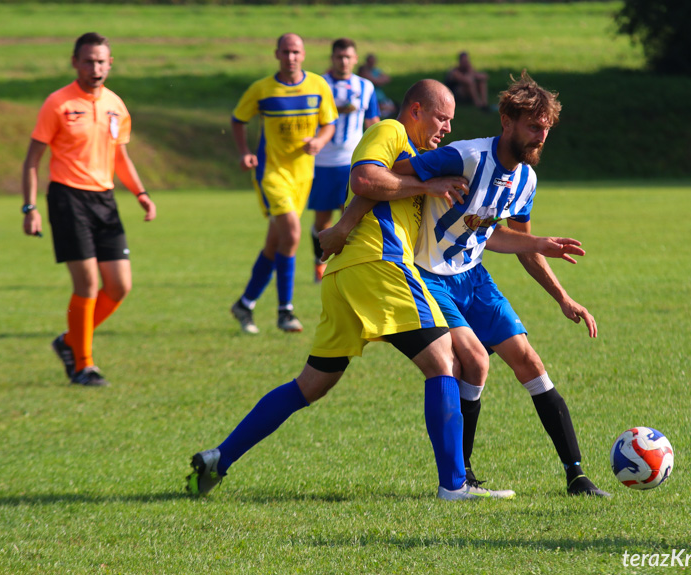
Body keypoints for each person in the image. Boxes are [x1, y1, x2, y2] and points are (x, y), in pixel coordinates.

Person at [191, 80, 511, 502]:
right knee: (442, 362)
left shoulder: (415, 158)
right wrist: (425, 187)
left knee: (311, 385)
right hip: (379, 264)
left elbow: (373, 188)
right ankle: (454, 485)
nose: (447, 128)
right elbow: (363, 178)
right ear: (415, 109)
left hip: (346, 275)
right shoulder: (390, 132)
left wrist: (345, 224)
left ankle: (219, 457)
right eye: (441, 117)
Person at [322, 71, 608, 496]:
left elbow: (512, 240)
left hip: (474, 277)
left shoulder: (525, 180)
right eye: (533, 126)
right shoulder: (463, 157)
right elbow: (387, 175)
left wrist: (562, 297)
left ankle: (577, 476)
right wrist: (352, 220)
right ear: (507, 121)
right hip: (430, 277)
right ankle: (461, 477)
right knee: (475, 360)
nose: (541, 137)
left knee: (528, 360)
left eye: (546, 129)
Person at [21, 32, 156, 387]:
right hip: (67, 198)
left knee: (119, 286)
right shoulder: (58, 103)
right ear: (74, 62)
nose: (95, 67)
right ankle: (84, 365)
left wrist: (140, 192)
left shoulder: (116, 104)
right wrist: (30, 207)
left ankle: (68, 341)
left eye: (101, 61)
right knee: (88, 284)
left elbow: (119, 156)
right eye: (88, 61)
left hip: (105, 201)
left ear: (110, 63)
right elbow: (32, 161)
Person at [229, 33, 338, 335]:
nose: (291, 57)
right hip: (271, 174)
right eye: (286, 52)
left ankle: (245, 304)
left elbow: (329, 123)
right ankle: (285, 311)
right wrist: (245, 153)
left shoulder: (318, 85)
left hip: (304, 176)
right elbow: (238, 119)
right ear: (276, 54)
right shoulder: (262, 89)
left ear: (303, 54)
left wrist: (319, 141)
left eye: (296, 52)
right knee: (292, 233)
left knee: (275, 243)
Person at [308, 38, 381, 283]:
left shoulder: (366, 87)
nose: (343, 61)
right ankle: (319, 262)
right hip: (322, 162)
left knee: (349, 217)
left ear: (355, 59)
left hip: (352, 163)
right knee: (322, 220)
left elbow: (373, 122)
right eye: (339, 57)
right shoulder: (319, 84)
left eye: (348, 57)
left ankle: (345, 265)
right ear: (332, 58)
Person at [357, 53, 397, 119]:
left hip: (381, 98)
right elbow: (373, 81)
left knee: (395, 107)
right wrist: (378, 80)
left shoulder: (376, 70)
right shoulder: (364, 70)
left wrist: (377, 81)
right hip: (375, 98)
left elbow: (387, 79)